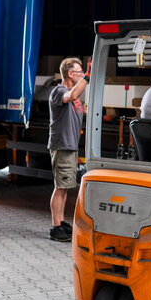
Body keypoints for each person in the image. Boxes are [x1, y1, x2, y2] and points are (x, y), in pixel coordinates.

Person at [47, 57, 89, 242]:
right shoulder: (59, 91)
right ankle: (56, 228)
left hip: (70, 146)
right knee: (60, 187)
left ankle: (61, 222)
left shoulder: (75, 96)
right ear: (70, 74)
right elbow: (70, 96)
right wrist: (87, 76)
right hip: (62, 146)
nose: (81, 76)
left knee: (65, 187)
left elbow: (82, 107)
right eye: (79, 72)